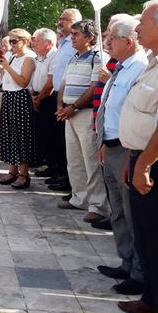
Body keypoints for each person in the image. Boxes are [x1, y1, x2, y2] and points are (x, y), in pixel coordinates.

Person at [95, 17, 147, 296]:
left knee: (130, 212)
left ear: (128, 41)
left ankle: (139, 272)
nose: (107, 43)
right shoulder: (122, 66)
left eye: (111, 38)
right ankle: (126, 263)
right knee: (118, 212)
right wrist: (104, 140)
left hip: (127, 150)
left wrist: (129, 154)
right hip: (111, 145)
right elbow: (113, 109)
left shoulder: (141, 67)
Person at [118, 0, 158, 313]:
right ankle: (150, 297)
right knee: (145, 233)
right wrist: (132, 160)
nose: (139, 28)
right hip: (138, 158)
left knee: (153, 232)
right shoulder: (152, 65)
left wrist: (143, 163)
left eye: (143, 23)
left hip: (152, 164)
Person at [56, 19, 109, 223]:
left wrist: (74, 106)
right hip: (69, 114)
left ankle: (97, 204)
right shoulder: (73, 58)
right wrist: (60, 106)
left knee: (90, 160)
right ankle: (79, 197)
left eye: (76, 34)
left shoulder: (98, 58)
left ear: (89, 37)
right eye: (72, 34)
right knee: (74, 159)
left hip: (84, 113)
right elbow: (64, 84)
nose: (72, 38)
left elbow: (95, 86)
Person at [41, 8, 82, 192]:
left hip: (72, 99)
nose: (60, 21)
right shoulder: (64, 44)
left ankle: (67, 178)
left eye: (65, 19)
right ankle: (57, 171)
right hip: (58, 95)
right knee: (57, 138)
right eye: (60, 18)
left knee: (67, 143)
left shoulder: (74, 45)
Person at [0, 29, 36, 189]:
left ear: (24, 41)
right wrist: (3, 68)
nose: (11, 45)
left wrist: (8, 68)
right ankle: (12, 170)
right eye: (10, 41)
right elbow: (4, 77)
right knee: (9, 134)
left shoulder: (29, 58)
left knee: (22, 135)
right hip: (8, 96)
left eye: (14, 41)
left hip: (21, 97)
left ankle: (24, 173)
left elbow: (22, 82)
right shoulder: (10, 56)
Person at [30, 29, 58, 168]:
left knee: (49, 133)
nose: (34, 44)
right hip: (37, 96)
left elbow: (50, 83)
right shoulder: (39, 57)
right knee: (40, 131)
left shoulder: (54, 57)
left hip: (48, 98)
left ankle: (51, 164)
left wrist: (39, 98)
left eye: (38, 41)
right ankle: (42, 160)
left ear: (48, 43)